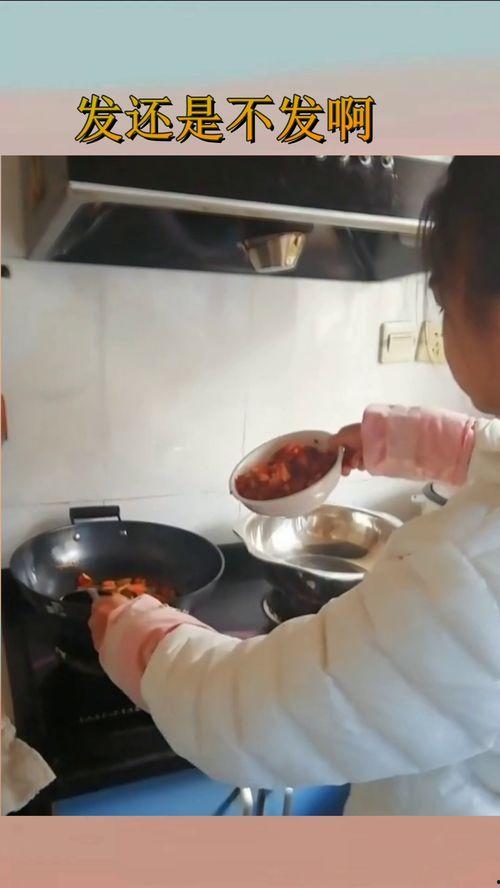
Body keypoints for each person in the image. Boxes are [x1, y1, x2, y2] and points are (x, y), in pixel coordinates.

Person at [90, 157, 500, 815]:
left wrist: (139, 634)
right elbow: (490, 448)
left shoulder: (471, 572)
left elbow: (253, 717)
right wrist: (401, 442)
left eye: (445, 301)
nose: (443, 323)